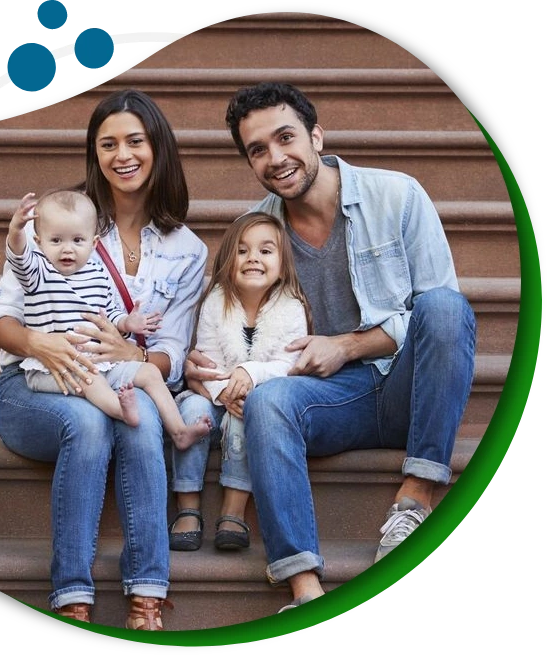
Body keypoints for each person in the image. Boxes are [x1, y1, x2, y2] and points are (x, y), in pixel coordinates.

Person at [184, 81, 477, 612]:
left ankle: (414, 500)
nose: (276, 158)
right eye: (257, 150)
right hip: (333, 400)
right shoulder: (254, 233)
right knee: (269, 402)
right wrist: (200, 363)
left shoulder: (398, 196)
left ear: (317, 136)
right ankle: (304, 589)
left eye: (286, 138)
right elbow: (225, 321)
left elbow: (443, 325)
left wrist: (348, 343)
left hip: (412, 384)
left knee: (446, 308)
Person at [0, 88, 208, 630]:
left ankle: (148, 593)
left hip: (115, 375)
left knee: (142, 416)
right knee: (88, 422)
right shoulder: (62, 223)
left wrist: (131, 351)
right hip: (33, 384)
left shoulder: (187, 249)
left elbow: (170, 354)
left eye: (135, 140)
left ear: (158, 148)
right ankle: (72, 596)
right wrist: (39, 343)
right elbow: (1, 318)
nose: (122, 154)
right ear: (95, 153)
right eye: (108, 144)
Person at [6, 187, 212, 446]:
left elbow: (110, 313)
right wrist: (16, 231)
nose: (67, 250)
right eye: (56, 241)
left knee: (148, 372)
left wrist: (127, 322)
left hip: (99, 363)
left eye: (77, 241)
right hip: (55, 368)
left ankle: (180, 431)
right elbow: (18, 258)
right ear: (39, 242)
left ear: (93, 244)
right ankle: (119, 410)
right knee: (90, 381)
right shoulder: (38, 273)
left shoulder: (97, 274)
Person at [169, 212, 312, 553]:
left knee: (248, 415)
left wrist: (250, 375)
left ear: (282, 263)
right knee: (190, 406)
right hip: (213, 395)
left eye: (266, 251)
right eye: (243, 251)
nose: (253, 259)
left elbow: (289, 365)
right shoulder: (216, 303)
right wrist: (225, 393)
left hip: (256, 401)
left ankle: (233, 509)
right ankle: (187, 506)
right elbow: (206, 362)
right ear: (228, 260)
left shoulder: (291, 308)